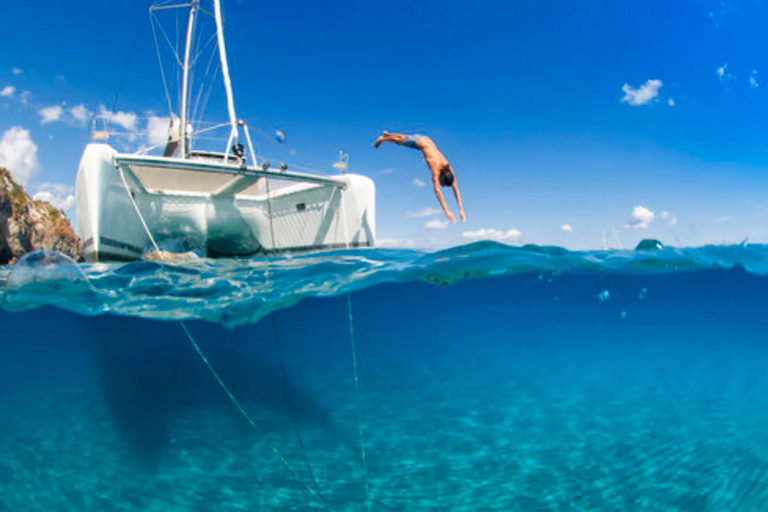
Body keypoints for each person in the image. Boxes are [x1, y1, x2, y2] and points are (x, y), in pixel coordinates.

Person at [374, 131, 466, 223]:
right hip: (419, 143)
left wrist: (461, 209)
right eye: (443, 184)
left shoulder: (448, 168)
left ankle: (388, 135)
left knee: (404, 137)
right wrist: (447, 211)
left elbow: (456, 190)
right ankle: (383, 139)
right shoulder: (436, 168)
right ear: (441, 177)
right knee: (399, 142)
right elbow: (437, 191)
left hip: (426, 140)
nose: (442, 185)